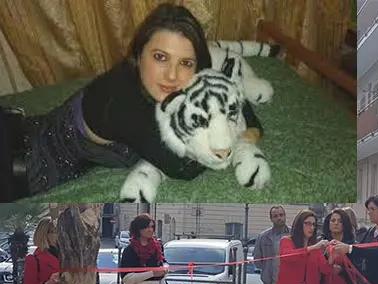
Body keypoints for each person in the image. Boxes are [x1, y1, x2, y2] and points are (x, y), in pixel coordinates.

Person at [0, 4, 261, 200]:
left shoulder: (161, 81)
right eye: (160, 57)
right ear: (139, 53)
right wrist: (241, 136)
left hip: (25, 128)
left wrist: (247, 123)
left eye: (185, 63)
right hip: (18, 168)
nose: (172, 75)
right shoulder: (126, 105)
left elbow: (229, 94)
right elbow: (184, 167)